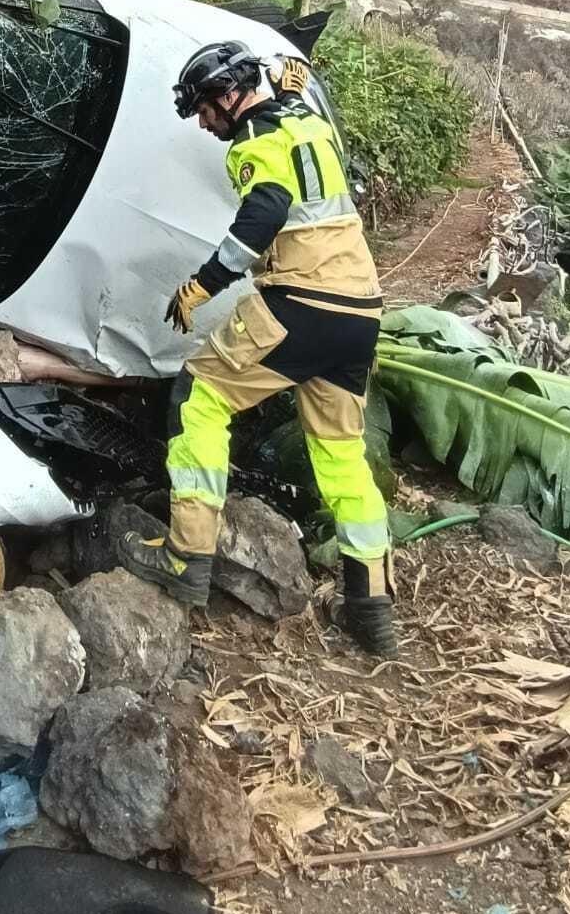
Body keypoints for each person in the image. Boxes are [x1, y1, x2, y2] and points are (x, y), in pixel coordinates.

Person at [115, 39, 397, 656]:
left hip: (302, 303)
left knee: (199, 396)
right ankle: (371, 604)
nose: (204, 123)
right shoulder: (307, 120)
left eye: (204, 109)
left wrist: (202, 284)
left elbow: (264, 213)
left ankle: (187, 557)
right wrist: (293, 87)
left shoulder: (251, 145)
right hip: (361, 311)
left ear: (230, 95)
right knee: (343, 457)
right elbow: (295, 125)